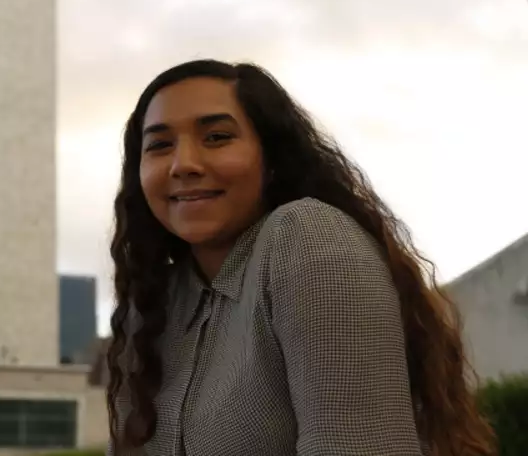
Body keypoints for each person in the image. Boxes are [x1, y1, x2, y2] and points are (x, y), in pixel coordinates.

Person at [106, 59, 495, 456]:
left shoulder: (305, 237)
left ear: (272, 158)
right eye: (159, 145)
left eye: (217, 137)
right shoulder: (152, 306)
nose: (183, 164)